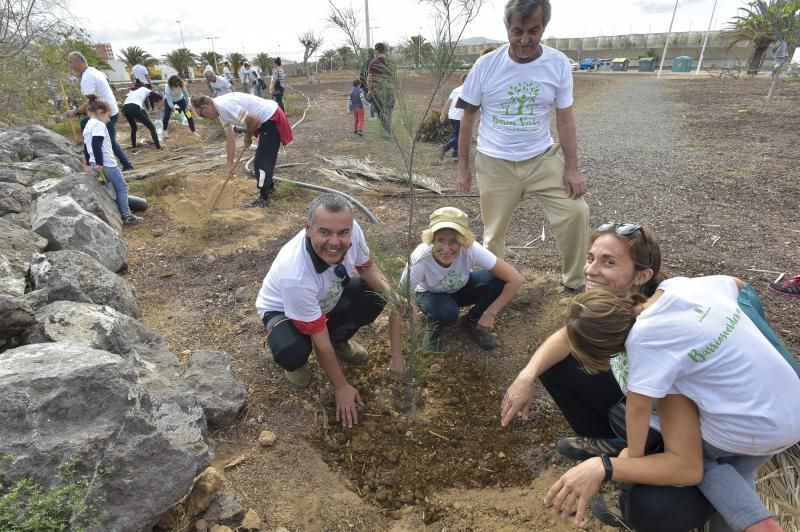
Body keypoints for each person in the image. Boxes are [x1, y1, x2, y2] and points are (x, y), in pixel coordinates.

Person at [563, 275, 800, 531]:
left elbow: (638, 406)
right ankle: (749, 521)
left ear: (609, 348)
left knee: (686, 459)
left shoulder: (642, 339)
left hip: (753, 426)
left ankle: (759, 525)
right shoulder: (677, 287)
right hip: (789, 405)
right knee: (735, 477)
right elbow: (737, 284)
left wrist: (632, 457)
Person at [456, 0, 588, 293]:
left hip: (541, 158)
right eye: (517, 31)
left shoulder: (557, 64)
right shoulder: (486, 65)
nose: (524, 40)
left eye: (533, 31)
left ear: (544, 28)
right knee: (493, 234)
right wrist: (463, 167)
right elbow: (467, 119)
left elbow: (565, 121)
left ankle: (575, 284)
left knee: (576, 211)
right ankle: (493, 289)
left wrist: (572, 168)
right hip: (494, 162)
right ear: (507, 28)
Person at [256, 193, 402, 427]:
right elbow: (318, 339)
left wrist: (396, 297)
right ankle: (296, 363)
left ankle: (340, 341)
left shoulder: (354, 231)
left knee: (374, 295)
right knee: (292, 349)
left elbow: (367, 269)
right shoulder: (295, 273)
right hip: (282, 310)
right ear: (308, 228)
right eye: (324, 232)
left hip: (325, 299)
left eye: (342, 233)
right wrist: (341, 386)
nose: (335, 242)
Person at [400, 207, 524, 352]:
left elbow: (515, 279)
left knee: (498, 280)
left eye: (453, 242)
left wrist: (490, 313)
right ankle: (433, 327)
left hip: (461, 287)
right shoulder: (420, 257)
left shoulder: (471, 249)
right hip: (431, 293)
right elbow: (399, 297)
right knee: (447, 313)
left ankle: (473, 320)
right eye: (440, 240)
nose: (446, 249)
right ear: (431, 239)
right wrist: (408, 307)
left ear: (462, 240)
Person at [191, 92, 293, 208]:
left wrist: (248, 136)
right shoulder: (221, 113)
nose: (205, 118)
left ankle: (264, 198)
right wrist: (229, 165)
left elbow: (254, 120)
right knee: (264, 160)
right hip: (267, 119)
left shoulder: (224, 106)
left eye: (202, 115)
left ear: (205, 107)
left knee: (261, 163)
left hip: (271, 118)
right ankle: (269, 189)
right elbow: (230, 139)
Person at [67, 51, 134, 171]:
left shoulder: (87, 77)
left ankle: (123, 165)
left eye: (70, 62)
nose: (69, 65)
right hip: (108, 110)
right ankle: (96, 159)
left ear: (78, 62)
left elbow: (91, 101)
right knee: (85, 124)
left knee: (108, 141)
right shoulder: (94, 71)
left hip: (104, 114)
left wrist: (75, 112)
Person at [82, 95, 142, 225]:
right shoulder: (98, 125)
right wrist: (99, 163)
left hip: (95, 162)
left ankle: (119, 210)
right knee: (122, 186)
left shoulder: (88, 125)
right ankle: (126, 215)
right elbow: (96, 144)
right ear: (99, 112)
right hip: (106, 164)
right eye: (108, 116)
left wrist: (88, 163)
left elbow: (86, 146)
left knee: (111, 187)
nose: (109, 120)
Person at [122, 86, 163, 153]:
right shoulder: (145, 89)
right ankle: (158, 147)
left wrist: (147, 117)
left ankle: (134, 147)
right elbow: (155, 95)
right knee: (152, 128)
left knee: (133, 128)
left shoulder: (135, 92)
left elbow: (142, 110)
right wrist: (161, 98)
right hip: (134, 107)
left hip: (125, 108)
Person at [437, 74, 467, 163]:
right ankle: (445, 147)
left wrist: (443, 114)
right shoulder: (468, 90)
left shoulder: (456, 90)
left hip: (452, 115)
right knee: (459, 137)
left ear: (461, 81)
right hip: (459, 117)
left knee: (456, 135)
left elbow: (448, 102)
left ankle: (455, 154)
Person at [367, 42, 394, 135]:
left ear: (376, 50)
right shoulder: (390, 62)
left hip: (378, 91)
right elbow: (395, 78)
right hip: (390, 90)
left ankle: (386, 130)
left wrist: (370, 90)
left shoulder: (373, 63)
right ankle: (387, 129)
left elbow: (370, 78)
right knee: (389, 111)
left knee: (380, 111)